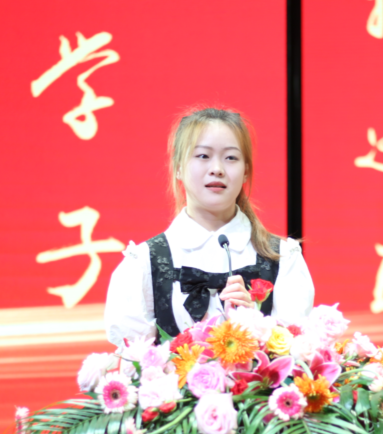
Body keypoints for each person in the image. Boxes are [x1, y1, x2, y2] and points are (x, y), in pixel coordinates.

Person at [103, 107, 314, 348]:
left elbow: (296, 356)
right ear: (178, 167)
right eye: (203, 156)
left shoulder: (283, 258)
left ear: (246, 171)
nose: (217, 169)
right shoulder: (143, 263)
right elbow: (135, 362)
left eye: (231, 158)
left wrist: (257, 326)